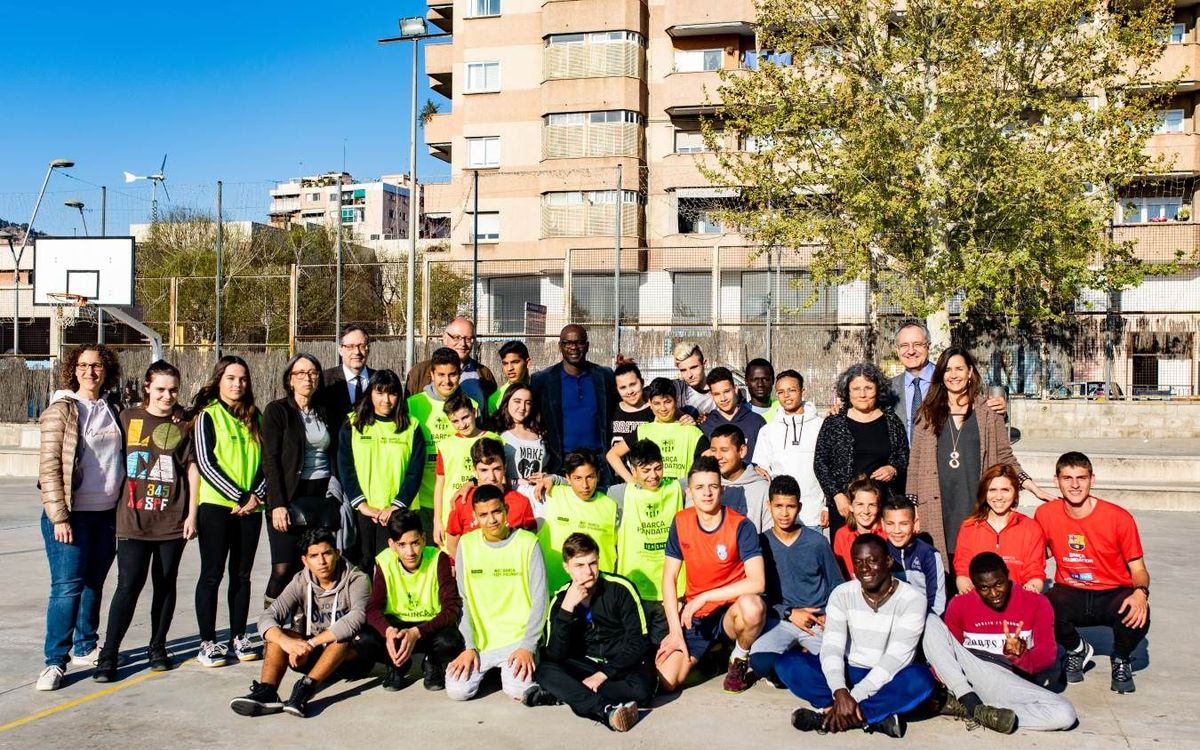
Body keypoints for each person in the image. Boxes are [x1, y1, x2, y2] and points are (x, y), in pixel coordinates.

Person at [94, 360, 193, 682]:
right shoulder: (126, 418)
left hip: (171, 520)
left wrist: (192, 514)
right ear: (147, 388)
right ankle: (108, 655)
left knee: (165, 585)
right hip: (132, 520)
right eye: (161, 389)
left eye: (173, 390)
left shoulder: (185, 424)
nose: (167, 396)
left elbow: (191, 471)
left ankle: (157, 647)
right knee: (128, 585)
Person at [907, 347, 1052, 563]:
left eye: (959, 369)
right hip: (938, 505)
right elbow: (915, 464)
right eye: (947, 370)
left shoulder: (989, 412)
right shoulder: (926, 414)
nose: (953, 375)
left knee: (976, 568)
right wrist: (913, 507)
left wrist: (1033, 487)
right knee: (943, 571)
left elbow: (1005, 456)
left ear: (970, 373)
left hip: (974, 503)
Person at [782, 534, 935, 738]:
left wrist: (853, 697)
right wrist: (839, 690)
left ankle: (834, 717)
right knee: (788, 664)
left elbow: (896, 659)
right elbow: (832, 647)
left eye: (872, 561)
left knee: (920, 680)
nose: (864, 568)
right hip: (848, 671)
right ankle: (875, 717)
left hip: (888, 676)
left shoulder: (912, 599)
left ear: (888, 561)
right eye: (858, 562)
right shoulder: (842, 593)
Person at [36, 344, 125, 691]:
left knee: (94, 584)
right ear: (73, 370)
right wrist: (59, 517)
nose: (90, 371)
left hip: (106, 514)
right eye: (84, 365)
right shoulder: (61, 410)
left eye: (97, 365)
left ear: (106, 370)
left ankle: (85, 645)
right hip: (71, 516)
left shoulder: (113, 408)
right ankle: (54, 661)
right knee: (66, 588)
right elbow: (49, 468)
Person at [1035, 452, 1150, 694]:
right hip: (1071, 591)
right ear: (1056, 481)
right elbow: (1037, 552)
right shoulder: (1046, 514)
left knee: (1138, 611)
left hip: (1112, 592)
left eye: (1081, 478)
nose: (1074, 485)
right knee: (1041, 607)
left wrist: (1141, 593)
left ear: (1092, 480)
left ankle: (1121, 658)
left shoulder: (1118, 518)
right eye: (1067, 478)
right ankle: (1076, 649)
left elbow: (1138, 569)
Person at [926, 552, 1077, 733]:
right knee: (929, 621)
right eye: (984, 588)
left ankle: (974, 709)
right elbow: (945, 651)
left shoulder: (1036, 602)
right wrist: (938, 679)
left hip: (1007, 679)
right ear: (974, 585)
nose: (994, 593)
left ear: (1007, 575)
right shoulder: (960, 604)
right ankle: (968, 700)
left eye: (999, 584)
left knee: (1064, 713)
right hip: (968, 671)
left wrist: (1020, 655)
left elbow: (1046, 657)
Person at [229, 528, 372, 718]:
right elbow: (268, 615)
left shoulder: (357, 579)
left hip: (352, 660)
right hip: (310, 656)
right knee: (277, 634)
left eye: (327, 553)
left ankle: (305, 689)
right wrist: (286, 642)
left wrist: (312, 643)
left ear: (337, 553)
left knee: (344, 636)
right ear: (305, 560)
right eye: (314, 556)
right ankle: (267, 691)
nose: (321, 562)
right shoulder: (300, 580)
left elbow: (356, 618)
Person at [656, 457, 765, 695]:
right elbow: (668, 579)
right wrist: (675, 631)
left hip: (730, 613)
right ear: (689, 492)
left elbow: (757, 582)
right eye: (699, 487)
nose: (707, 493)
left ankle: (738, 657)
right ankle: (713, 663)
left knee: (753, 606)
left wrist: (705, 596)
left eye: (713, 487)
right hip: (697, 616)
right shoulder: (681, 521)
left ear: (722, 489)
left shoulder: (741, 525)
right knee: (666, 681)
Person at [523, 533, 652, 732]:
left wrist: (603, 674)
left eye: (592, 563)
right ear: (567, 567)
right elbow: (556, 654)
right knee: (544, 670)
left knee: (643, 690)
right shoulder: (560, 600)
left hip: (622, 667)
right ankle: (605, 710)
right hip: (586, 666)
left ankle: (566, 694)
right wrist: (567, 610)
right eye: (579, 566)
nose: (588, 572)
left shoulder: (620, 589)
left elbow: (639, 642)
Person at [192, 355, 268, 667]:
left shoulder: (255, 417)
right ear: (219, 380)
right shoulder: (207, 416)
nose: (237, 384)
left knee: (242, 575)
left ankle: (239, 635)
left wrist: (255, 497)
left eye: (242, 379)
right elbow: (205, 463)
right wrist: (237, 495)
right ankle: (207, 641)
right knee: (212, 574)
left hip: (252, 508)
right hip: (217, 507)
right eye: (231, 378)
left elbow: (268, 461)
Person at [446, 490, 548, 702]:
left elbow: (540, 599)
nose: (491, 519)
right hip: (482, 643)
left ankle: (509, 672)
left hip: (518, 641)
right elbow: (462, 598)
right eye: (483, 515)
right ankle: (495, 671)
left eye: (496, 512)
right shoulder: (466, 544)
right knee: (457, 691)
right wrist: (468, 646)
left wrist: (528, 646)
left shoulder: (528, 543)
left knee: (519, 691)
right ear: (475, 516)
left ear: (506, 510)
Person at [263, 353, 342, 609]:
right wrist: (277, 503)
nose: (307, 378)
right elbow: (270, 459)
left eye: (312, 373)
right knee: (284, 567)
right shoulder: (278, 411)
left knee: (313, 567)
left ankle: (302, 623)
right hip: (288, 494)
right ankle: (270, 621)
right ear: (290, 380)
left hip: (320, 494)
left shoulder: (326, 410)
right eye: (301, 373)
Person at [748, 476, 844, 685]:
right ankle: (790, 666)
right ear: (769, 506)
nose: (784, 513)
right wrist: (789, 613)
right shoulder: (761, 543)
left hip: (816, 621)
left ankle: (802, 663)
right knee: (760, 661)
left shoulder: (817, 542)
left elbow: (836, 585)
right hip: (781, 620)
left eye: (790, 506)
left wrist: (830, 616)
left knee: (837, 664)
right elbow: (760, 595)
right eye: (778, 506)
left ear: (799, 507)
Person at [338, 369, 424, 577]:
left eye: (392, 393)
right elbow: (345, 467)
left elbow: (415, 470)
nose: (386, 400)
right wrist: (361, 504)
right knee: (364, 564)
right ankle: (367, 609)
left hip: (399, 511)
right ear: (370, 394)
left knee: (395, 566)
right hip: (366, 511)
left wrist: (396, 505)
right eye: (380, 392)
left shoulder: (411, 426)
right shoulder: (353, 424)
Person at [366, 511, 464, 692]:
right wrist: (388, 632)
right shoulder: (384, 560)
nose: (410, 552)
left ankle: (432, 662)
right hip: (397, 627)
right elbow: (373, 608)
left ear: (424, 539)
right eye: (401, 545)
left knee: (452, 642)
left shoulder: (437, 558)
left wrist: (417, 632)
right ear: (392, 545)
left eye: (415, 543)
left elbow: (451, 608)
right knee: (363, 639)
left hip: (429, 627)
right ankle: (396, 663)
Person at [814, 362, 908, 535]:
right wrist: (837, 496)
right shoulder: (834, 422)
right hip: (845, 507)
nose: (862, 394)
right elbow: (820, 464)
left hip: (881, 508)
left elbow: (903, 455)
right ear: (847, 392)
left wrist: (893, 468)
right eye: (856, 389)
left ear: (877, 390)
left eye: (868, 388)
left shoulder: (892, 421)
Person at [609, 439, 686, 643]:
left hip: (669, 590)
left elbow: (706, 474)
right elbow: (586, 493)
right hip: (634, 589)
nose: (653, 476)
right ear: (632, 470)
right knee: (635, 646)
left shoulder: (677, 487)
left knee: (662, 648)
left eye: (658, 468)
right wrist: (555, 479)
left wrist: (754, 468)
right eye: (645, 470)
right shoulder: (619, 493)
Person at [890, 321, 1006, 442]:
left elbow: (980, 410)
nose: (911, 351)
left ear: (929, 346)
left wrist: (998, 409)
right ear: (897, 349)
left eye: (917, 344)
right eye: (904, 345)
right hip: (900, 460)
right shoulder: (887, 389)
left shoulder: (951, 379)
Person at [531, 324, 617, 469]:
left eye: (579, 342)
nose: (574, 347)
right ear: (560, 346)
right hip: (561, 463)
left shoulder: (604, 376)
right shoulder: (542, 380)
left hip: (599, 462)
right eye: (568, 343)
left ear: (587, 346)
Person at [408, 347, 473, 534]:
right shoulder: (413, 405)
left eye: (452, 374)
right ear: (431, 374)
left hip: (459, 500)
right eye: (441, 375)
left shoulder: (471, 407)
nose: (447, 381)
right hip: (422, 500)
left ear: (460, 374)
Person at [954, 464, 1046, 594]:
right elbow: (963, 570)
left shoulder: (1030, 528)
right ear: (984, 492)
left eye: (1005, 490)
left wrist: (1032, 588)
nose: (998, 496)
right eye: (992, 490)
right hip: (979, 599)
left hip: (1017, 599)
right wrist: (968, 591)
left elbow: (1035, 572)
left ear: (1015, 493)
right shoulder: (969, 527)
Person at [751, 369, 825, 530]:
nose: (786, 396)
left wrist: (826, 506)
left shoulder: (821, 426)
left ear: (802, 391)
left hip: (814, 516)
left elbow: (830, 468)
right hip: (781, 518)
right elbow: (762, 470)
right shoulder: (767, 431)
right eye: (781, 392)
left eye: (792, 390)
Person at [537, 451, 618, 591]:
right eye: (578, 478)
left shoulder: (612, 505)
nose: (585, 485)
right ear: (567, 478)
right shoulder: (550, 495)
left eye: (590, 477)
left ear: (598, 476)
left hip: (598, 592)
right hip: (556, 590)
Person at [443, 440, 538, 557]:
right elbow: (452, 545)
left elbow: (529, 544)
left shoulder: (521, 503)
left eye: (497, 469)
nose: (491, 477)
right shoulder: (462, 501)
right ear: (474, 470)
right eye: (484, 470)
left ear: (505, 467)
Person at [434, 389, 503, 545]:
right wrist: (437, 520)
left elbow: (501, 475)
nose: (462, 424)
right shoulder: (445, 445)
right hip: (452, 512)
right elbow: (440, 483)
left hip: (487, 509)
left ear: (474, 412)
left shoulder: (493, 439)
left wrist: (473, 482)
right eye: (455, 421)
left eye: (465, 417)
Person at [607, 377, 707, 484]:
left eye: (667, 402)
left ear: (676, 400)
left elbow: (707, 467)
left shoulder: (692, 432)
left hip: (680, 496)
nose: (663, 408)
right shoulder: (643, 431)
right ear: (650, 403)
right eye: (657, 403)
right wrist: (633, 484)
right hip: (650, 497)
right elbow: (612, 455)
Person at [407, 317, 498, 417]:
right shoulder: (419, 372)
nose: (462, 344)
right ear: (445, 338)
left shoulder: (484, 375)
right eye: (457, 337)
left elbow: (492, 415)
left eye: (468, 339)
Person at [882, 496, 946, 616]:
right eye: (890, 524)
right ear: (883, 524)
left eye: (903, 524)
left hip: (925, 620)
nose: (897, 530)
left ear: (915, 523)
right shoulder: (880, 553)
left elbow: (938, 604)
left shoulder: (929, 555)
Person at [709, 424, 771, 533]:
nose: (718, 456)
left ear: (742, 451)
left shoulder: (762, 489)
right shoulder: (706, 486)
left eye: (724, 450)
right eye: (713, 450)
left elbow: (770, 534)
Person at [700, 367, 766, 458]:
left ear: (735, 389)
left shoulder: (756, 422)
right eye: (717, 394)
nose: (723, 398)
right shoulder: (706, 426)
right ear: (711, 396)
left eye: (726, 391)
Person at [495, 383, 548, 496]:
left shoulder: (542, 433)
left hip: (539, 497)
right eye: (517, 401)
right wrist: (514, 482)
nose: (523, 407)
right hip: (511, 496)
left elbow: (547, 467)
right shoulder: (497, 434)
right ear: (507, 401)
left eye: (528, 403)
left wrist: (545, 476)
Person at [832, 476, 884, 579]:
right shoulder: (842, 534)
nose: (866, 511)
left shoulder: (886, 532)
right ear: (850, 506)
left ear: (878, 507)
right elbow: (838, 571)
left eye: (872, 505)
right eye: (860, 504)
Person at [321, 324, 373, 422]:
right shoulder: (325, 381)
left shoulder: (379, 379)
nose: (357, 352)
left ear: (368, 349)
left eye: (361, 346)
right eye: (350, 347)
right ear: (340, 350)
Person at [609, 361, 654, 450]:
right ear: (617, 389)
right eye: (623, 387)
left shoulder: (655, 410)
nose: (629, 392)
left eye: (633, 384)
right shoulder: (610, 411)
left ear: (642, 382)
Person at [489, 340, 531, 415]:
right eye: (505, 363)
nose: (509, 368)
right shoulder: (495, 398)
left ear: (527, 363)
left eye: (515, 362)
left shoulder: (539, 390)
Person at [672, 341, 714, 416]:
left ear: (705, 364)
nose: (689, 375)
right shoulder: (676, 389)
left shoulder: (721, 390)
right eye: (683, 370)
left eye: (693, 368)